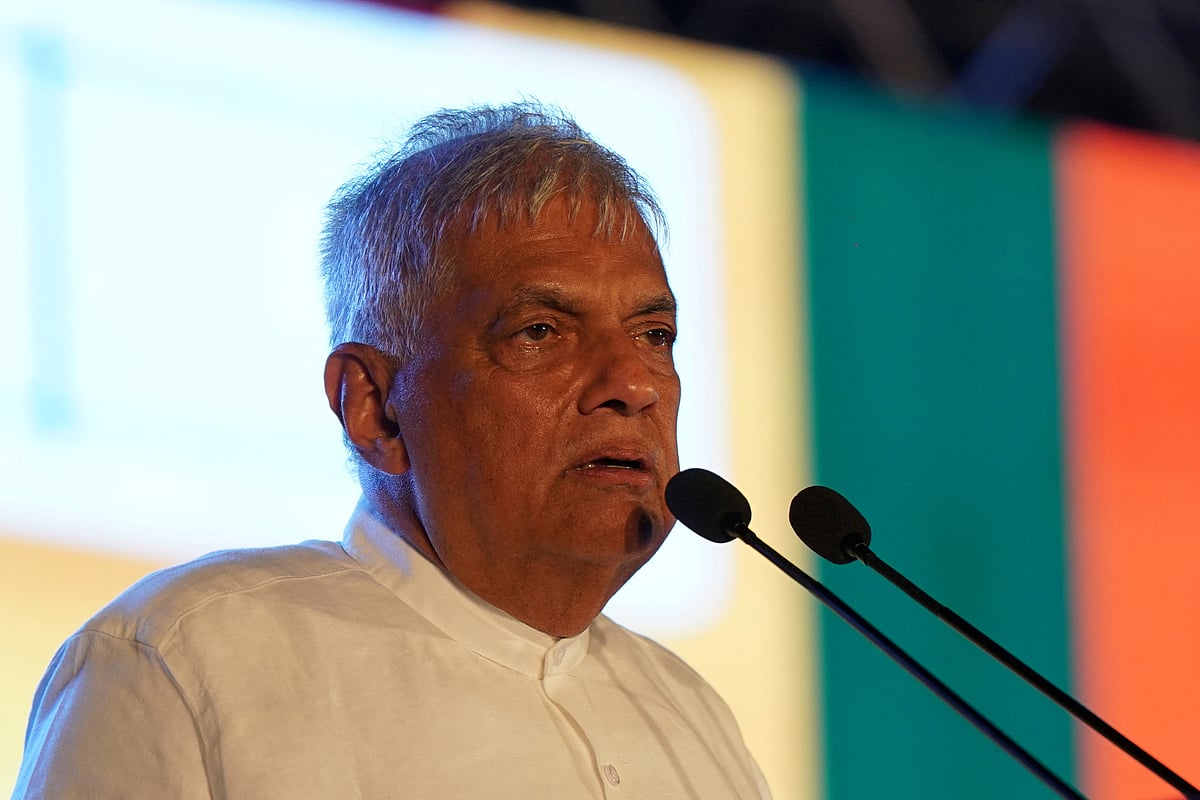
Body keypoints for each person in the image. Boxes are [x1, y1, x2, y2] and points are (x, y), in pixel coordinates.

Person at [11, 102, 771, 798]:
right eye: (539, 331)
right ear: (374, 408)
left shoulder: (691, 718)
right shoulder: (182, 659)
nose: (632, 383)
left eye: (654, 336)